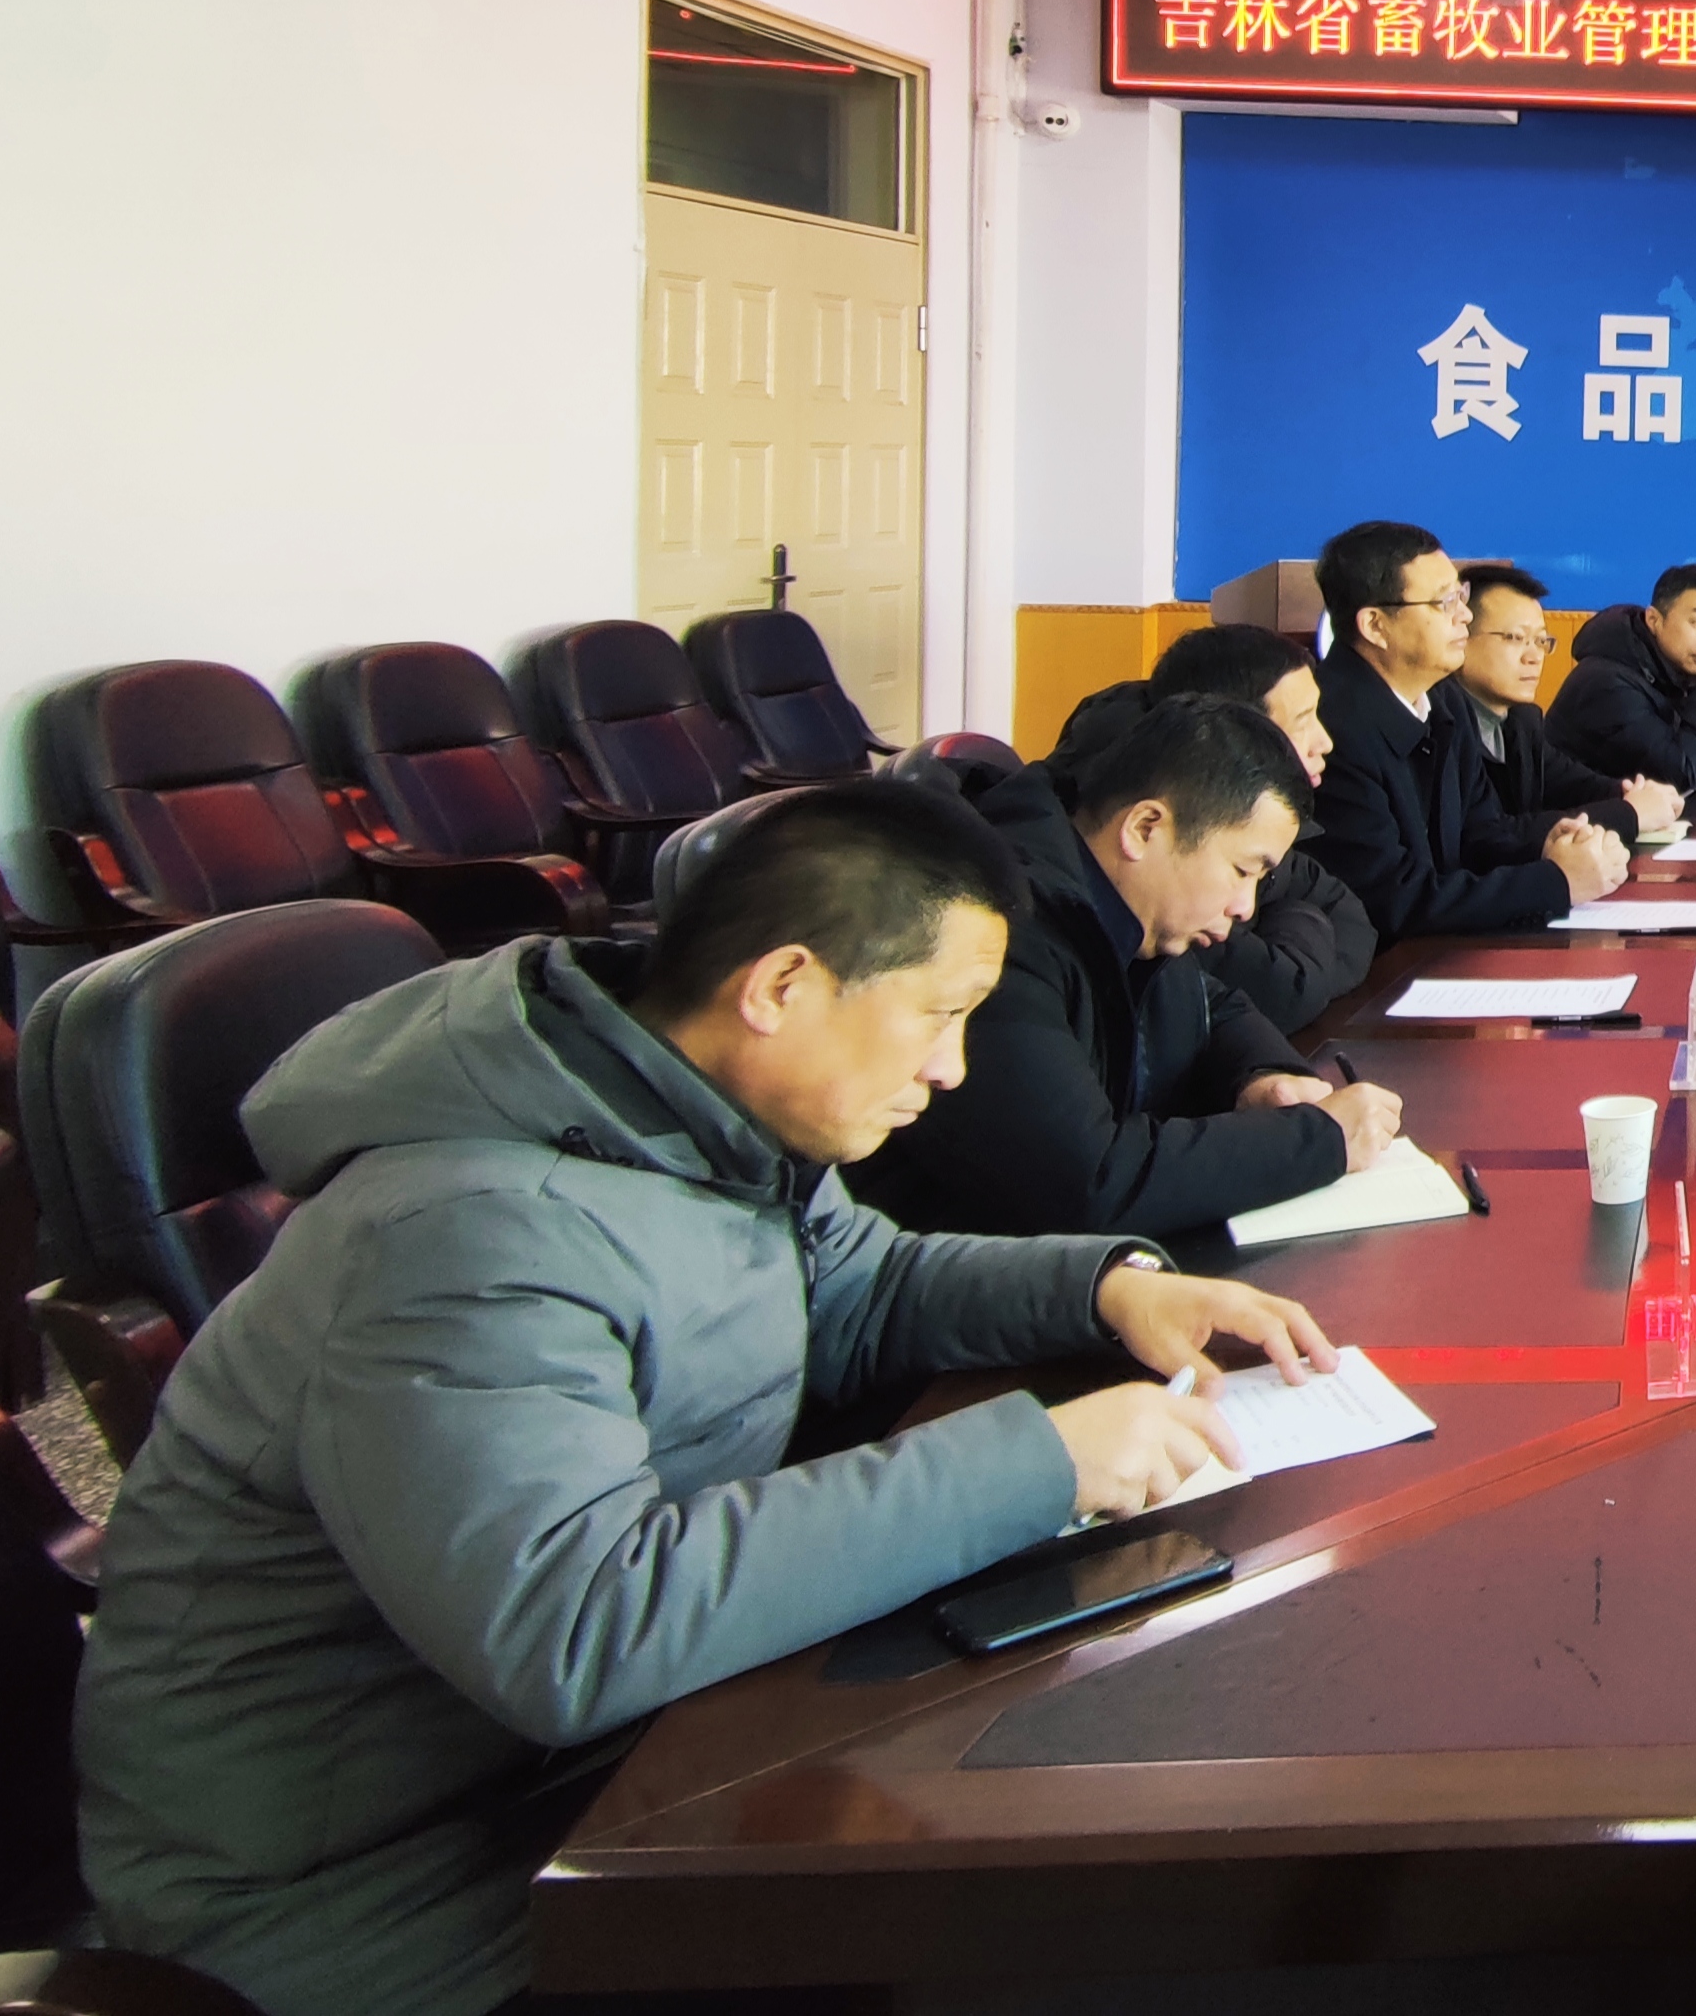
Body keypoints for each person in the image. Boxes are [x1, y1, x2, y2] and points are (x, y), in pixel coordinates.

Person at [73, 780, 1343, 2016]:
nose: (955, 1066)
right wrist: (1042, 1461)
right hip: (381, 1892)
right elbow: (577, 1624)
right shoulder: (467, 1233)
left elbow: (857, 1282)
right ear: (782, 986)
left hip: (599, 1762)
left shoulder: (680, 1110)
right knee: (1060, 1919)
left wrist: (1109, 1288)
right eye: (938, 1013)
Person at [854, 694, 1404, 1239]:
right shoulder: (997, 933)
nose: (1246, 907)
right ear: (1144, 828)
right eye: (1242, 870)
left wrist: (1263, 1077)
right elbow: (1088, 1182)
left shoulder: (1130, 912)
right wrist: (1319, 1140)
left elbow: (1212, 1003)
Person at [1303, 520, 1629, 936]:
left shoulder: (1444, 700)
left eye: (1462, 595)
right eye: (1444, 602)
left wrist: (1547, 846)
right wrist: (1555, 882)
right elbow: (1393, 901)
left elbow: (1480, 834)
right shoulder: (1328, 728)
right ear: (1375, 626)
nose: (1465, 615)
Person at [1045, 623, 1376, 1031]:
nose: (1324, 742)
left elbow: (1351, 918)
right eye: (1303, 720)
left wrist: (1292, 916)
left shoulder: (1230, 822)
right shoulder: (1163, 859)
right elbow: (1285, 991)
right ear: (1234, 733)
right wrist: (1306, 917)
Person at [1433, 559, 1686, 865]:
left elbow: (1570, 783)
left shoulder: (1521, 720)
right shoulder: (1440, 725)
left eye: (1541, 641)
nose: (1534, 656)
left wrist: (1631, 792)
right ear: (1460, 636)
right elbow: (1489, 835)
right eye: (1515, 638)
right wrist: (1629, 813)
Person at [1553, 560, 1696, 797]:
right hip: (1575, 817)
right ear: (1654, 621)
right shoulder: (1606, 684)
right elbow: (1682, 773)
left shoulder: (1679, 671)